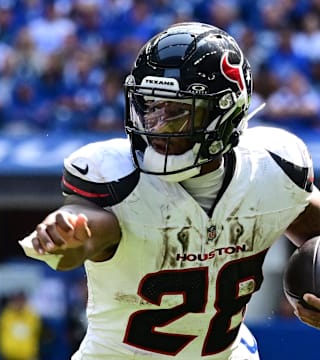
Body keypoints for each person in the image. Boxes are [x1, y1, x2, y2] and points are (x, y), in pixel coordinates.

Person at [20, 22, 320, 359]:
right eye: (151, 107)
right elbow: (89, 230)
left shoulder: (272, 170)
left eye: (178, 111)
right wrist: (67, 233)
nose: (157, 125)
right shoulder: (119, 178)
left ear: (226, 112)